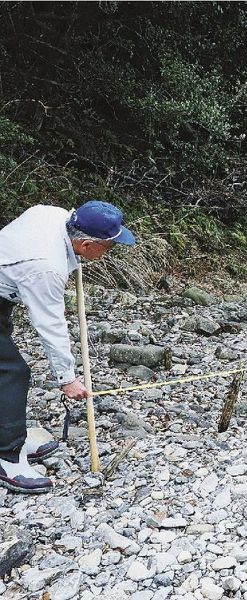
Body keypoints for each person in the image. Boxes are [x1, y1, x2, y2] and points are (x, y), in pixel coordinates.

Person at [0, 201, 135, 493]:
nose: (109, 252)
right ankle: (7, 456)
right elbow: (50, 325)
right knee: (11, 372)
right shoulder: (46, 267)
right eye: (109, 247)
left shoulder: (56, 215)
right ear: (86, 244)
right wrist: (67, 379)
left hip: (3, 290)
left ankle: (9, 436)